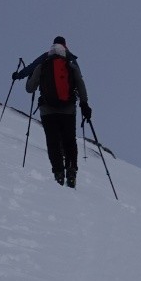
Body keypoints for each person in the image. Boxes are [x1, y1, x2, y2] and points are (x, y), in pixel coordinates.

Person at [24, 38, 92, 187]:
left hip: (48, 111)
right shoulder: (70, 64)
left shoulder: (42, 65)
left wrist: (32, 78)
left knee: (53, 142)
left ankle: (58, 173)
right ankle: (72, 169)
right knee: (69, 141)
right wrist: (85, 104)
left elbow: (30, 88)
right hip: (68, 110)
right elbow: (80, 84)